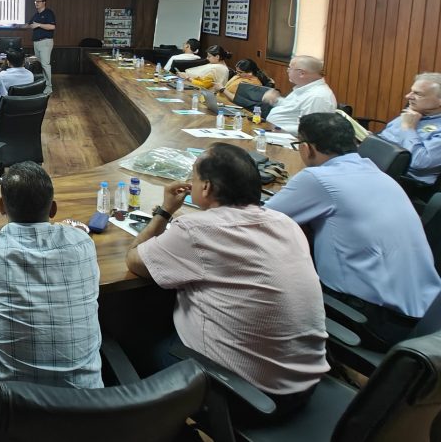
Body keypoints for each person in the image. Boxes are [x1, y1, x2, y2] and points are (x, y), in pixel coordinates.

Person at [126, 143, 328, 419]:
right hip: (305, 386)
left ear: (206, 187)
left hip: (245, 396)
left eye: (193, 177)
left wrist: (165, 211)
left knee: (127, 333)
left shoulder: (197, 231)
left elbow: (134, 260)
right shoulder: (285, 223)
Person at [265, 113, 441, 348]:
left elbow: (259, 221)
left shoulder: (317, 178)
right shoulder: (380, 174)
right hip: (423, 318)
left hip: (371, 320)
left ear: (306, 148)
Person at [0, 162, 102, 407]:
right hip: (89, 410)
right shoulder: (81, 243)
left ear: (1, 206)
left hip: (7, 413)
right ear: (53, 209)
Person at [379, 72, 441, 187]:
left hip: (405, 182)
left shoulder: (410, 119)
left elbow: (420, 162)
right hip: (377, 166)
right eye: (411, 91)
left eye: (418, 94)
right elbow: (385, 136)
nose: (408, 96)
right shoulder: (412, 112)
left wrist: (408, 129)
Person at [264, 55, 337, 135]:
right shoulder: (305, 87)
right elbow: (292, 108)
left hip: (289, 139)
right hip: (276, 132)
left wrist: (275, 128)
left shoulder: (318, 97)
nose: (287, 71)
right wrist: (276, 100)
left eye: (290, 68)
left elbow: (310, 129)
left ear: (302, 73)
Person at [27, 0, 55, 94]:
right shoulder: (36, 15)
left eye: (38, 1)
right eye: (35, 2)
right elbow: (29, 24)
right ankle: (43, 84)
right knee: (40, 64)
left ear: (44, 2)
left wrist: (39, 25)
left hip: (45, 42)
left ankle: (49, 87)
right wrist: (17, 25)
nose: (36, 3)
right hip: (36, 42)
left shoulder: (48, 13)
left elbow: (52, 27)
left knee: (45, 64)